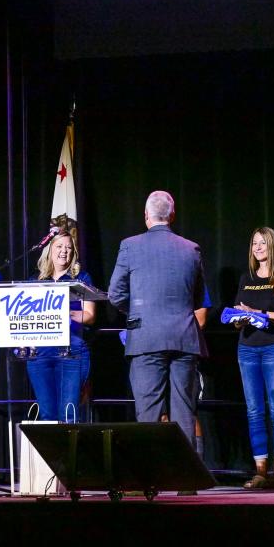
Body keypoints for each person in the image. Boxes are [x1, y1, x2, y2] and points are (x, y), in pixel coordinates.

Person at [108, 190, 205, 445]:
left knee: (149, 412)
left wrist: (140, 312)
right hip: (184, 337)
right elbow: (197, 298)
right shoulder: (191, 248)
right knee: (185, 410)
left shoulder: (130, 246)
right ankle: (185, 480)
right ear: (172, 215)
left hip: (146, 338)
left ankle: (150, 479)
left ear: (146, 216)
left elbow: (115, 294)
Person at [231, 227, 274, 489]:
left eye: (262, 243)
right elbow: (239, 318)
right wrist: (240, 317)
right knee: (253, 410)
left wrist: (259, 313)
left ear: (272, 246)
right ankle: (260, 470)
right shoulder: (245, 278)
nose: (257, 247)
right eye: (254, 243)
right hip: (247, 347)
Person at [25, 230, 95, 421]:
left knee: (69, 414)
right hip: (41, 353)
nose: (64, 251)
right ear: (49, 250)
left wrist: (64, 312)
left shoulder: (81, 279)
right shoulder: (35, 281)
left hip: (72, 351)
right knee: (47, 414)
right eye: (59, 246)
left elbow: (89, 315)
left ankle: (71, 451)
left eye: (69, 247)